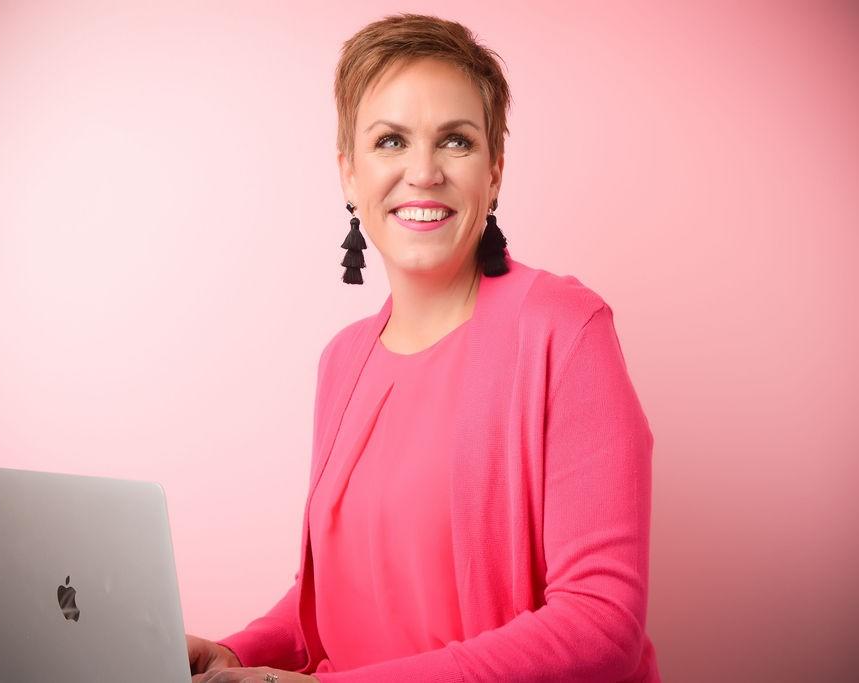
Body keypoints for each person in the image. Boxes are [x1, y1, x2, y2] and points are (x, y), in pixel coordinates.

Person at [188, 12, 660, 683]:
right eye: (390, 141)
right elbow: (335, 601)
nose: (423, 172)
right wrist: (238, 653)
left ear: (495, 172)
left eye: (456, 142)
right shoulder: (343, 360)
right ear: (349, 175)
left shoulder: (565, 330)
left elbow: (600, 626)